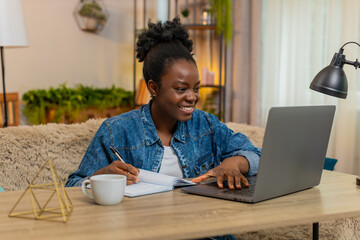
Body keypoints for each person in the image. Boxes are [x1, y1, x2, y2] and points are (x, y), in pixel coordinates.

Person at [66, 17, 260, 240]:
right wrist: (101, 177)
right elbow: (73, 187)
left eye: (196, 88)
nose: (192, 97)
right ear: (154, 87)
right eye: (180, 89)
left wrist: (234, 163)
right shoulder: (116, 131)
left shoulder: (206, 124)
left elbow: (256, 155)